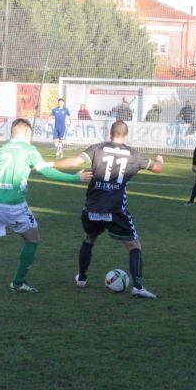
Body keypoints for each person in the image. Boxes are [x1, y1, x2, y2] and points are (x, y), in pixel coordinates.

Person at [0, 118, 92, 293]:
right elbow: (46, 171)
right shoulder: (28, 149)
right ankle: (18, 283)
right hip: (14, 205)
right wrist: (75, 178)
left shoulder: (3, 149)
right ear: (27, 133)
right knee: (33, 239)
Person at [52, 120, 163, 298]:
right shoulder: (133, 155)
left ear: (110, 134)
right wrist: (159, 160)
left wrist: (50, 165)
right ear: (125, 135)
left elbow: (74, 162)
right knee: (134, 245)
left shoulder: (97, 148)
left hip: (92, 207)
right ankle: (138, 287)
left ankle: (81, 278)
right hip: (115, 209)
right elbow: (157, 168)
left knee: (89, 238)